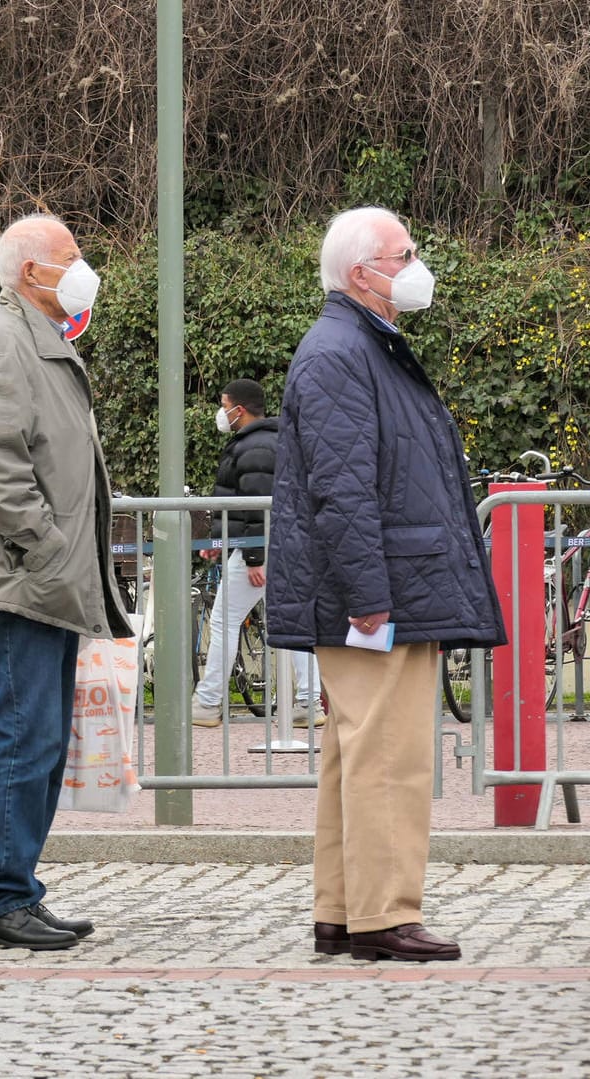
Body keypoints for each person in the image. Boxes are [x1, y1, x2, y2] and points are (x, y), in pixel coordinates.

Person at [267, 206, 504, 963]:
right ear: (363, 273)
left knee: (358, 754)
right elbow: (342, 491)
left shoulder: (357, 345)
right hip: (378, 594)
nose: (416, 264)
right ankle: (383, 914)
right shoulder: (343, 352)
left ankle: (343, 910)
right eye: (404, 254)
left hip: (384, 584)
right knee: (390, 757)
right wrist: (371, 597)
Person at [0, 214, 132, 951]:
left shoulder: (34, 338)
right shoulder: (4, 342)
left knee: (39, 740)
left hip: (38, 578)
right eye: (71, 257)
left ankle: (13, 887)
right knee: (23, 738)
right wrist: (49, 547)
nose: (84, 268)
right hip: (19, 579)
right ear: (30, 273)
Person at [190, 378, 321, 728]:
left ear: (239, 409)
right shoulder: (270, 441)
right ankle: (309, 703)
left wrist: (253, 557)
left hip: (262, 551)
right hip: (285, 548)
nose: (221, 412)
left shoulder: (254, 447)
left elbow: (258, 506)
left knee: (223, 621)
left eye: (224, 404)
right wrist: (219, 543)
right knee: (291, 624)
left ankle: (208, 702)